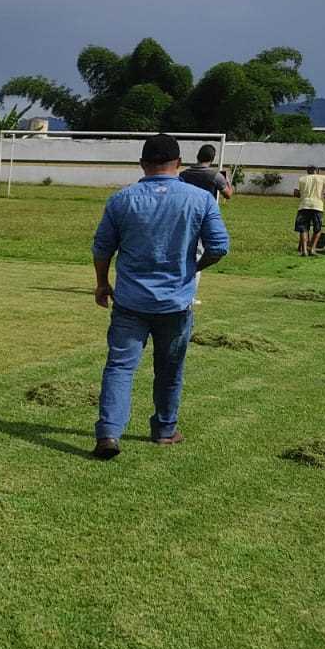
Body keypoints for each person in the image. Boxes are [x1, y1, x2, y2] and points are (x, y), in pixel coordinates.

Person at [91, 133, 229, 460]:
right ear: (178, 164)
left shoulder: (121, 199)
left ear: (142, 164)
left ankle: (109, 432)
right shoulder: (200, 199)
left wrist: (101, 283)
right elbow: (220, 247)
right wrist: (193, 267)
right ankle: (165, 429)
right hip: (175, 302)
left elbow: (102, 247)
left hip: (130, 301)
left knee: (120, 368)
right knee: (169, 369)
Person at [179, 144, 232, 303]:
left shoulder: (184, 174)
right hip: (204, 218)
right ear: (212, 158)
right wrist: (227, 180)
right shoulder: (215, 175)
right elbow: (228, 194)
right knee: (198, 255)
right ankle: (189, 294)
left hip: (185, 216)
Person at [292, 165, 325, 257]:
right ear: (317, 170)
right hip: (317, 206)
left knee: (303, 228)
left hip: (304, 206)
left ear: (307, 171)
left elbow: (296, 193)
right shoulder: (323, 178)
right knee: (317, 229)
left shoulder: (302, 179)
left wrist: (302, 194)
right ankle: (312, 249)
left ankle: (304, 251)